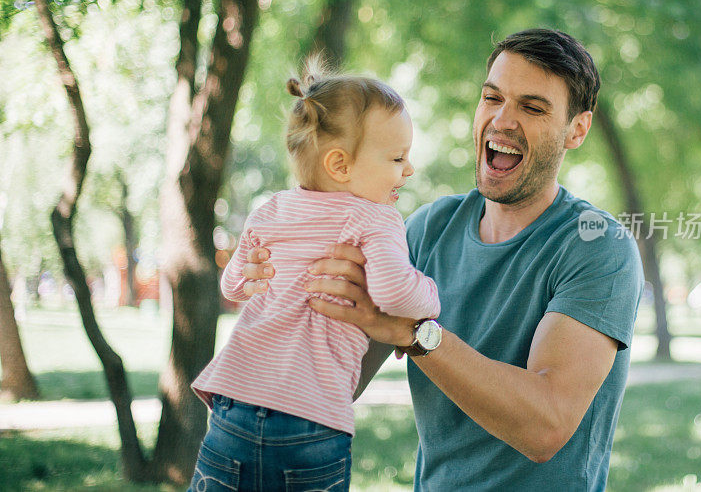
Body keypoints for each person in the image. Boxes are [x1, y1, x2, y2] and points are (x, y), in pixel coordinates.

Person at [242, 29, 644, 491]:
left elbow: (545, 426)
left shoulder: (597, 246)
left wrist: (416, 334)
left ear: (577, 129)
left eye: (532, 108)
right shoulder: (426, 229)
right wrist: (281, 281)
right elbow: (330, 380)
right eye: (492, 98)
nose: (502, 120)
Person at [188, 62, 440, 492]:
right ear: (340, 165)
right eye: (397, 158)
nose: (408, 169)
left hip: (233, 406)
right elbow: (394, 291)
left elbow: (233, 286)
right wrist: (432, 294)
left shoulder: (271, 209)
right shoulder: (375, 217)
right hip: (309, 419)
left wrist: (252, 273)